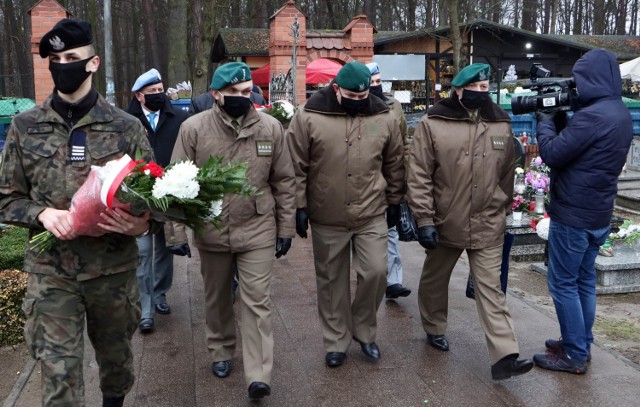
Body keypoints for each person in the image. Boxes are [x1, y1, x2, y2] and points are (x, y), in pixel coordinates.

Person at [0, 19, 154, 407]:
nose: (62, 64)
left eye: (72, 57)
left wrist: (141, 223)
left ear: (94, 63)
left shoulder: (126, 127)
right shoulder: (24, 127)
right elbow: (5, 198)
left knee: (117, 365)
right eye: (55, 58)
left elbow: (155, 195)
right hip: (52, 273)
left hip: (112, 271)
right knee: (59, 375)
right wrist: (41, 214)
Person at [169, 62, 295, 401]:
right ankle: (221, 349)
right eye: (234, 93)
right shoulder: (193, 128)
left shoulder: (270, 128)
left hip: (257, 227)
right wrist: (176, 233)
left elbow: (284, 180)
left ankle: (258, 374)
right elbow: (176, 182)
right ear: (216, 94)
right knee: (218, 297)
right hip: (212, 229)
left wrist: (286, 228)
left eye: (247, 92)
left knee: (258, 301)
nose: (243, 98)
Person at [407, 63, 534, 380]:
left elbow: (507, 171)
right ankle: (434, 326)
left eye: (485, 89)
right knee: (435, 281)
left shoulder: (499, 124)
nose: (482, 94)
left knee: (491, 289)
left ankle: (505, 354)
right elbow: (419, 173)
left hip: (488, 220)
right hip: (445, 219)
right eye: (475, 89)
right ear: (459, 90)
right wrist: (424, 218)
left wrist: (500, 203)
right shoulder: (433, 123)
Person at [286, 61, 405, 368]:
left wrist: (395, 201)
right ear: (335, 89)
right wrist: (299, 206)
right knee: (331, 280)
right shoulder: (309, 116)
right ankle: (336, 340)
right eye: (351, 97)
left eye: (363, 96)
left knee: (377, 271)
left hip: (371, 211)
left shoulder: (384, 117)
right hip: (327, 213)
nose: (358, 102)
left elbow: (394, 162)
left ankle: (364, 330)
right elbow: (295, 164)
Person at [532, 49, 633, 374]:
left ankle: (574, 353)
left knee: (563, 283)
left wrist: (546, 122)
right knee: (584, 281)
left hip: (574, 216)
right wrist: (562, 120)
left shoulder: (593, 117)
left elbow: (552, 154)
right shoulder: (618, 112)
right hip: (598, 213)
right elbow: (581, 150)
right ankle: (580, 342)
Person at [127, 68, 190, 334]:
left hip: (167, 195)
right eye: (151, 92)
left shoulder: (178, 118)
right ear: (139, 96)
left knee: (164, 248)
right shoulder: (127, 121)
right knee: (142, 252)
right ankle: (145, 307)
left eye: (160, 90)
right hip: (139, 197)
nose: (158, 95)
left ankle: (160, 293)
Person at [366, 61, 411, 299]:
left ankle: (393, 281)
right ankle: (367, 273)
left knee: (391, 228)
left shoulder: (393, 105)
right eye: (371, 82)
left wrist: (404, 172)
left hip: (390, 177)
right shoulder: (357, 103)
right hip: (364, 180)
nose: (376, 86)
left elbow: (404, 140)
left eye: (378, 82)